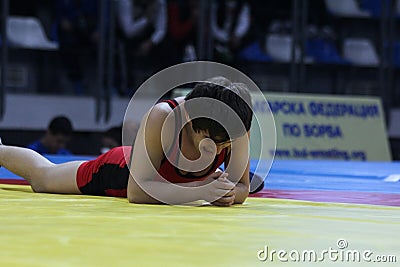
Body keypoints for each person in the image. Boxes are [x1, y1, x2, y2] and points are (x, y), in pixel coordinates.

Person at [0, 79, 261, 206]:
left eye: (225, 144)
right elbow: (136, 193)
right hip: (121, 171)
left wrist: (226, 195)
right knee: (43, 179)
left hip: (175, 181)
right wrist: (200, 192)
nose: (218, 149)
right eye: (210, 141)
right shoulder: (163, 117)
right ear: (191, 119)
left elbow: (242, 189)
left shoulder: (236, 127)